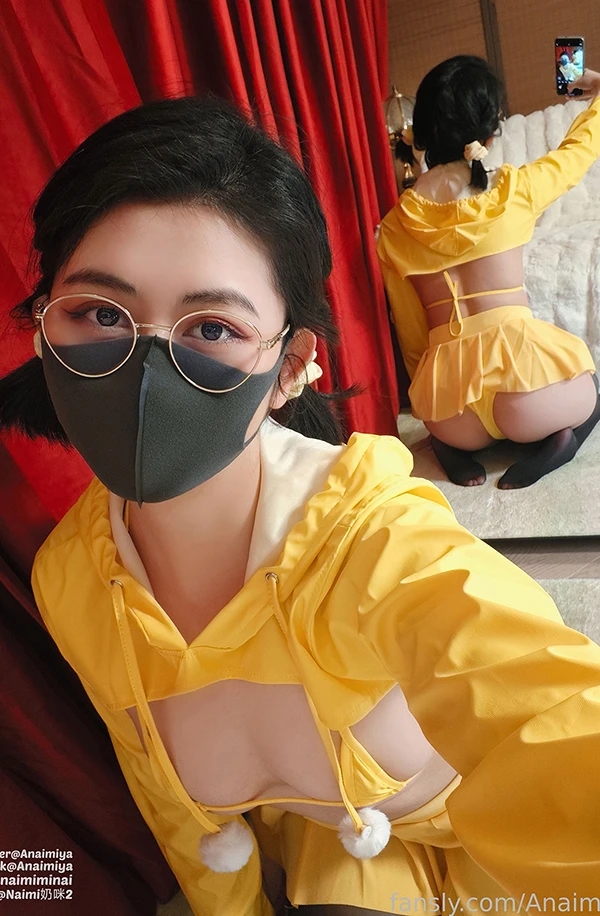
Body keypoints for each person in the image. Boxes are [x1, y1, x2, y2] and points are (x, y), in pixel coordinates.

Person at [2, 96, 600, 916]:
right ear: (44, 327)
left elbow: (546, 705)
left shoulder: (376, 536)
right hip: (345, 841)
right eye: (102, 314)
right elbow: (172, 807)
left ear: (291, 367)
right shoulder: (71, 581)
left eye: (212, 328)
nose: (146, 374)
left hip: (492, 847)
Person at [377, 56, 600, 488]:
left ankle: (450, 448)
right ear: (491, 132)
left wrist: (429, 401)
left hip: (450, 415)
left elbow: (411, 330)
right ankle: (561, 440)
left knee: (448, 415)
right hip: (529, 399)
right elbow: (578, 151)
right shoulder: (513, 190)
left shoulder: (392, 228)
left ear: (422, 132)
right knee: (591, 382)